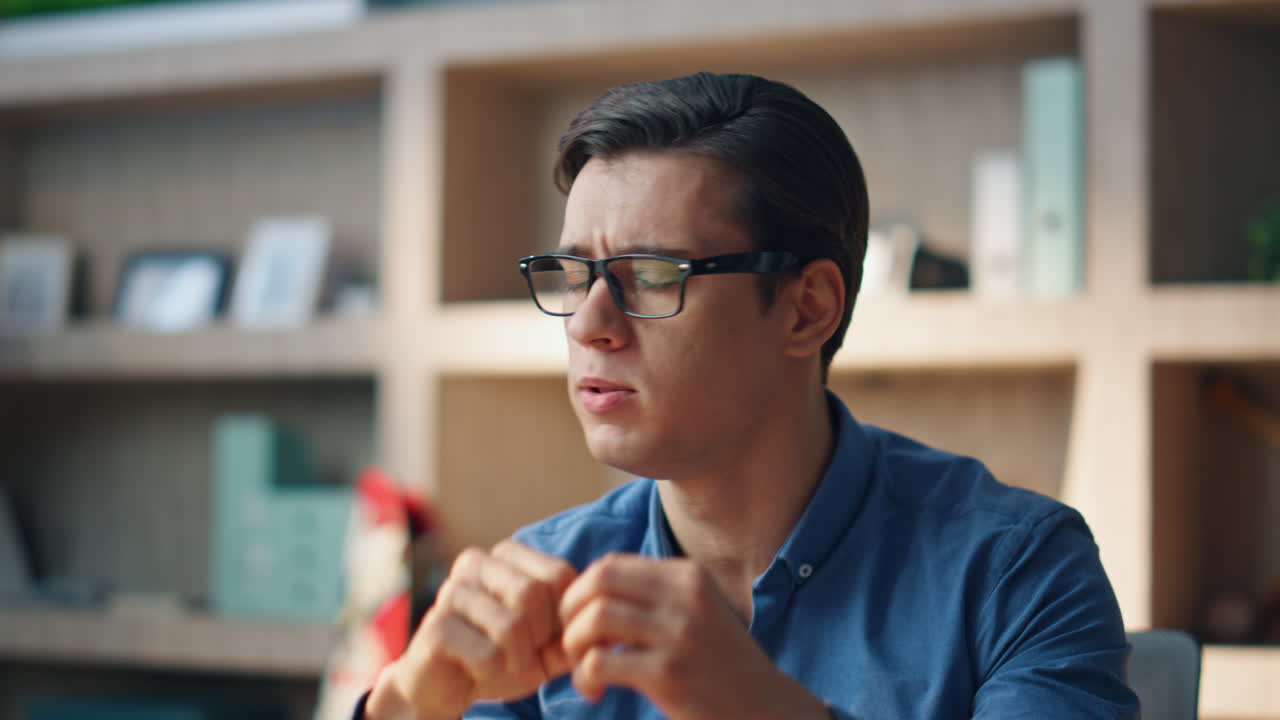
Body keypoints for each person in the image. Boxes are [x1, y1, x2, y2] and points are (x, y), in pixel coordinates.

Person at [356, 72, 1139, 719]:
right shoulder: (541, 585)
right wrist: (407, 700)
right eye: (575, 275)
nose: (590, 324)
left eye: (654, 276)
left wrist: (759, 708)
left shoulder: (1015, 570)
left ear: (808, 309)